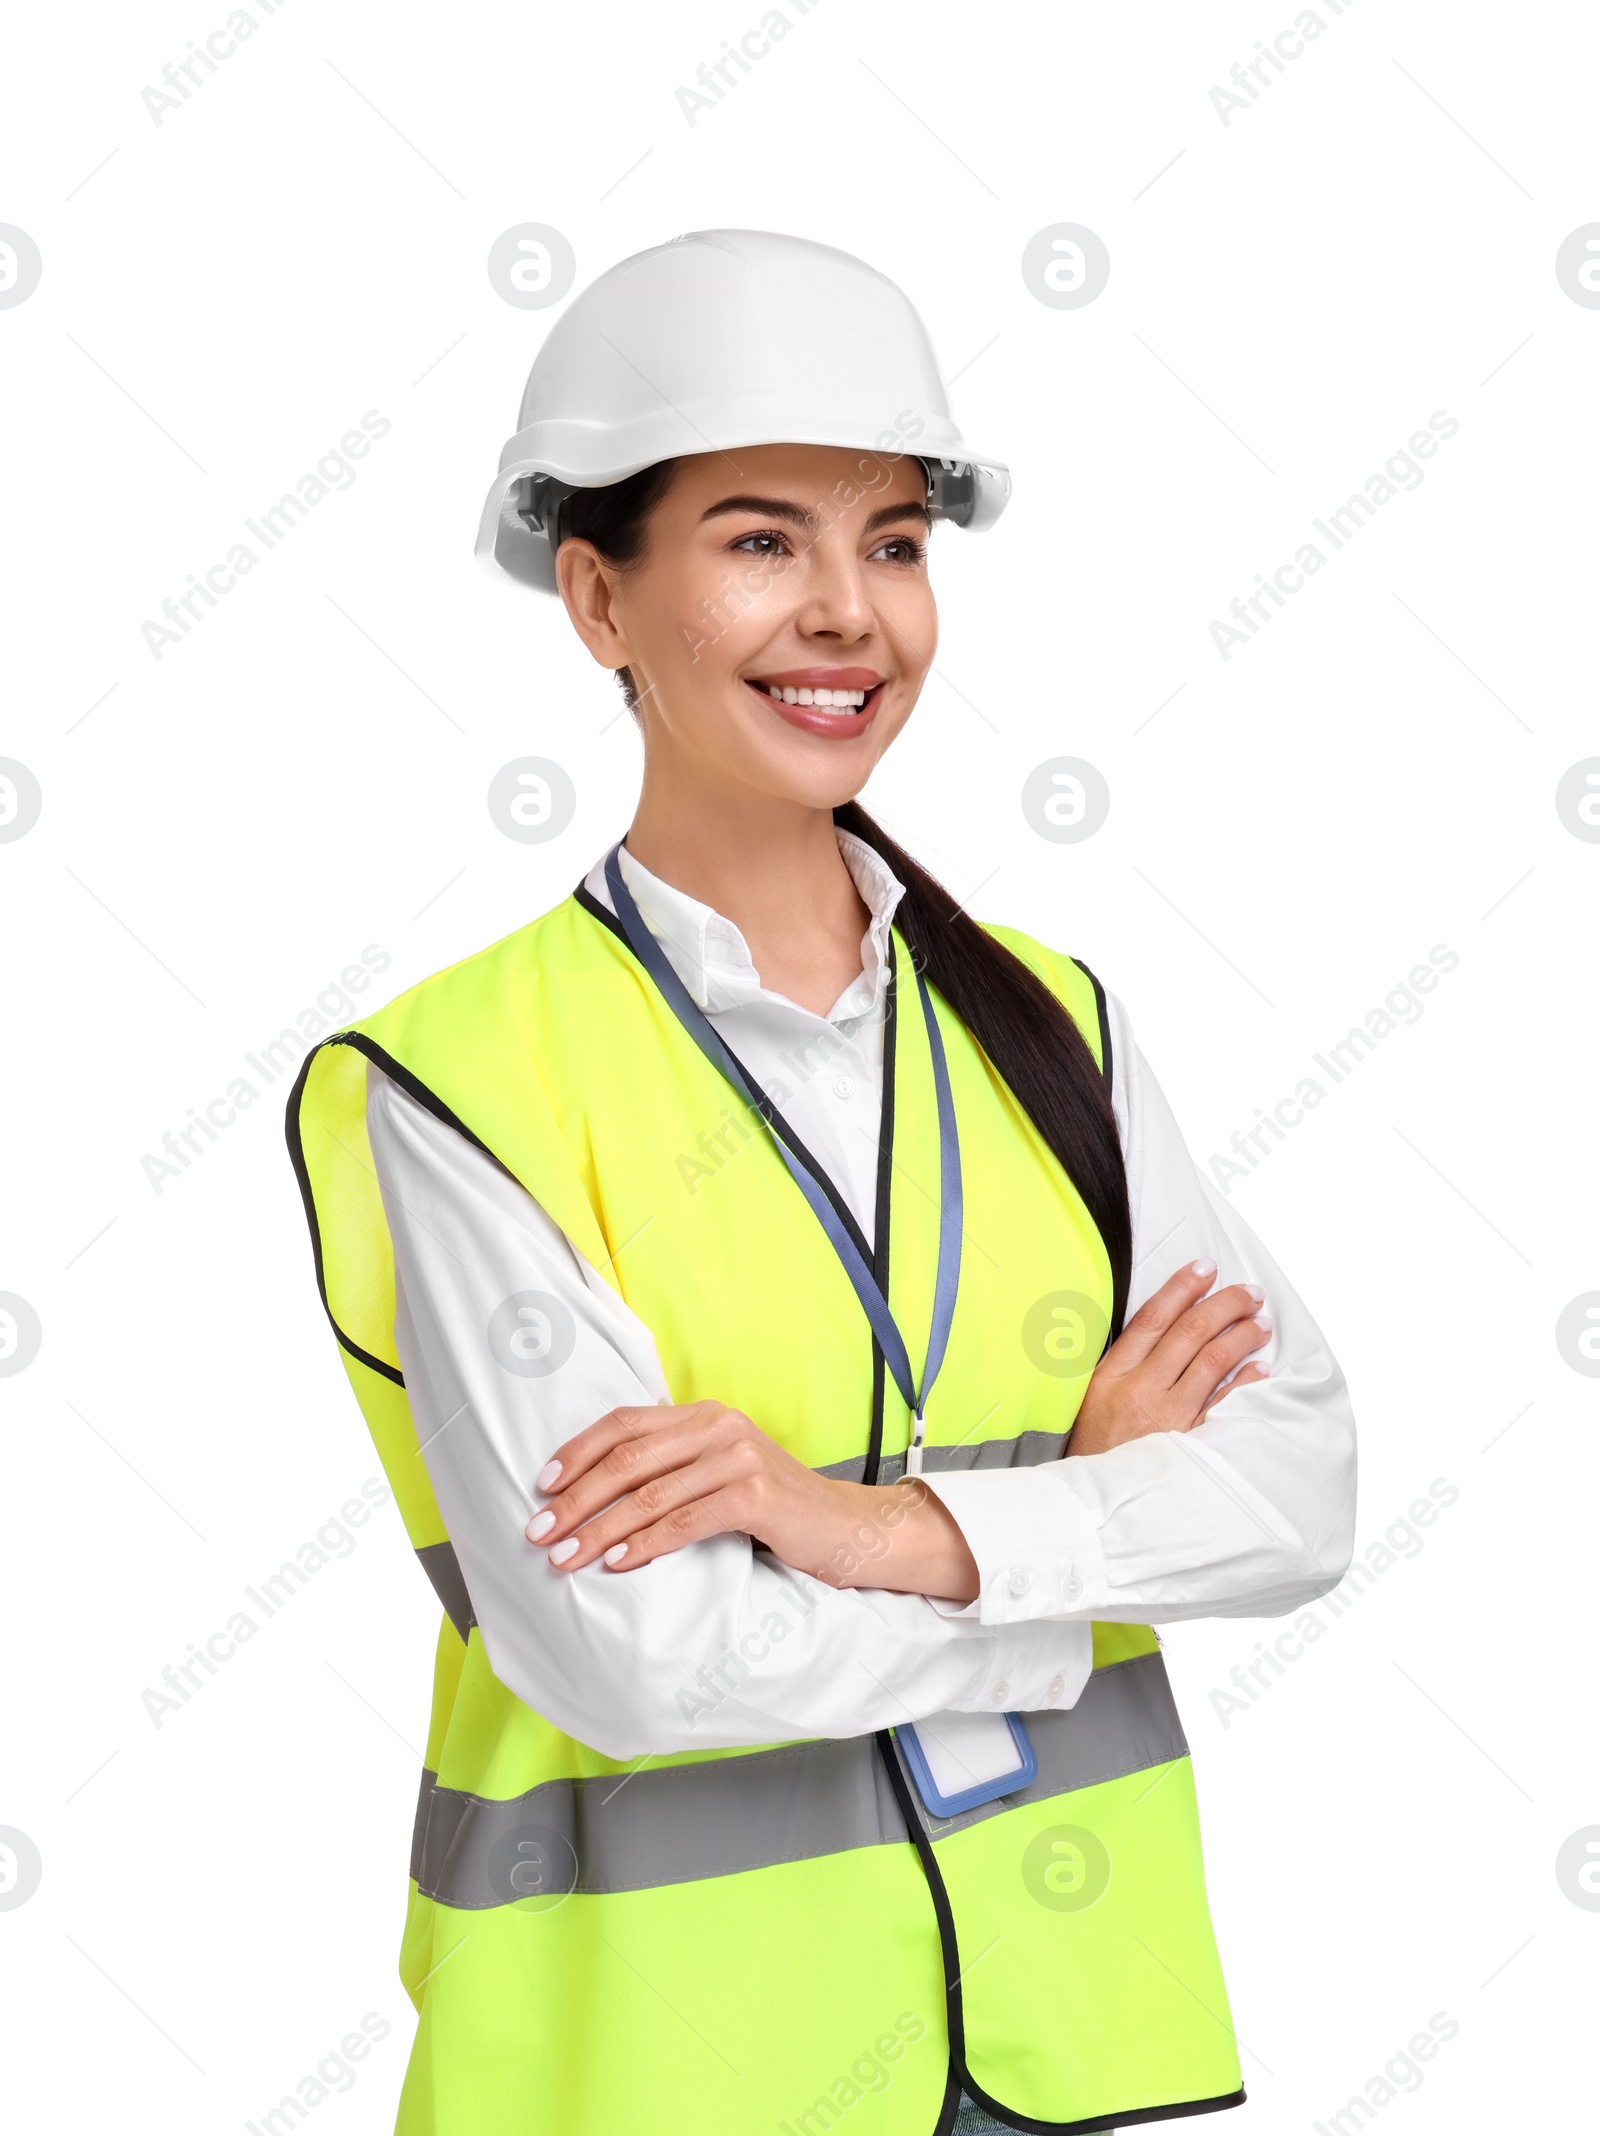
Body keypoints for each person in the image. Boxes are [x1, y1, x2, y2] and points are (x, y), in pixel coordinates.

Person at [287, 230, 1356, 2136]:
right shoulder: (457, 1087)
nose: (851, 613)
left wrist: (850, 1528)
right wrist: (1087, 1531)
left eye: (896, 544)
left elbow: (1298, 1492)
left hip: (1063, 2053)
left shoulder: (1051, 1022)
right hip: (656, 2072)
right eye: (764, 540)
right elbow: (640, 1656)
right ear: (600, 599)